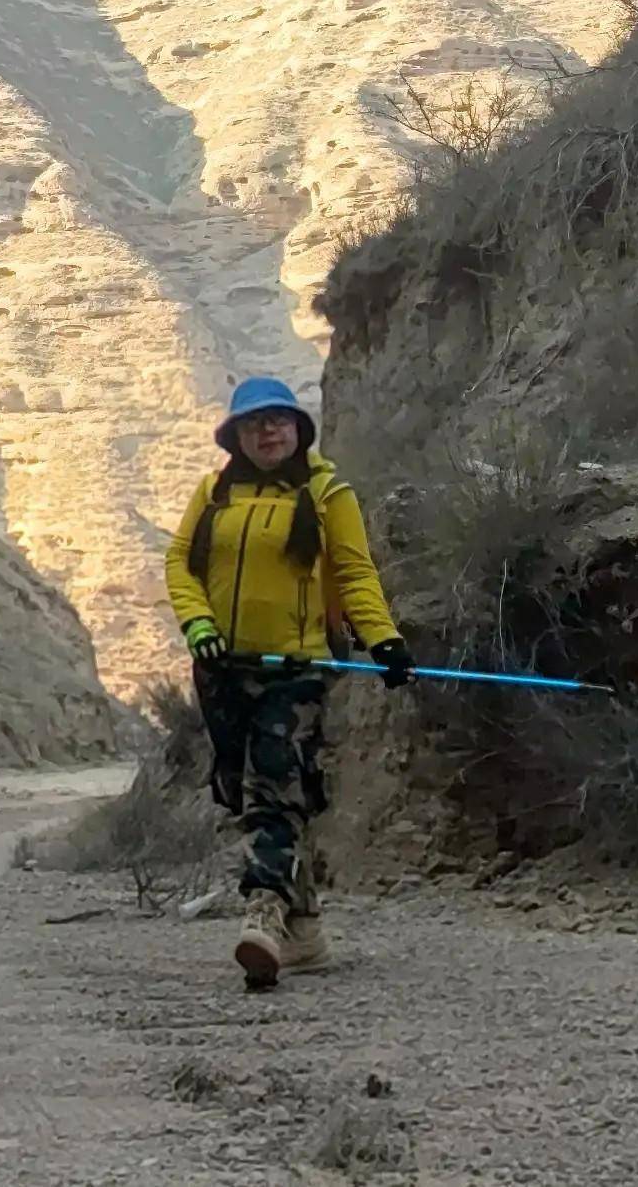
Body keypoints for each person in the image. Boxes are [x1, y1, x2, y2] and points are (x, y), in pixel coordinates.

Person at [165, 376, 406, 991]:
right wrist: (197, 626)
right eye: (253, 423)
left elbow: (353, 572)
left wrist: (384, 640)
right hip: (223, 668)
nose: (267, 431)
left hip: (296, 670)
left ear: (298, 429)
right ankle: (309, 931)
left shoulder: (328, 493)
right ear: (235, 435)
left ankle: (263, 915)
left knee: (276, 787)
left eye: (278, 420)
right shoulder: (213, 493)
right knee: (241, 793)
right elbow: (180, 565)